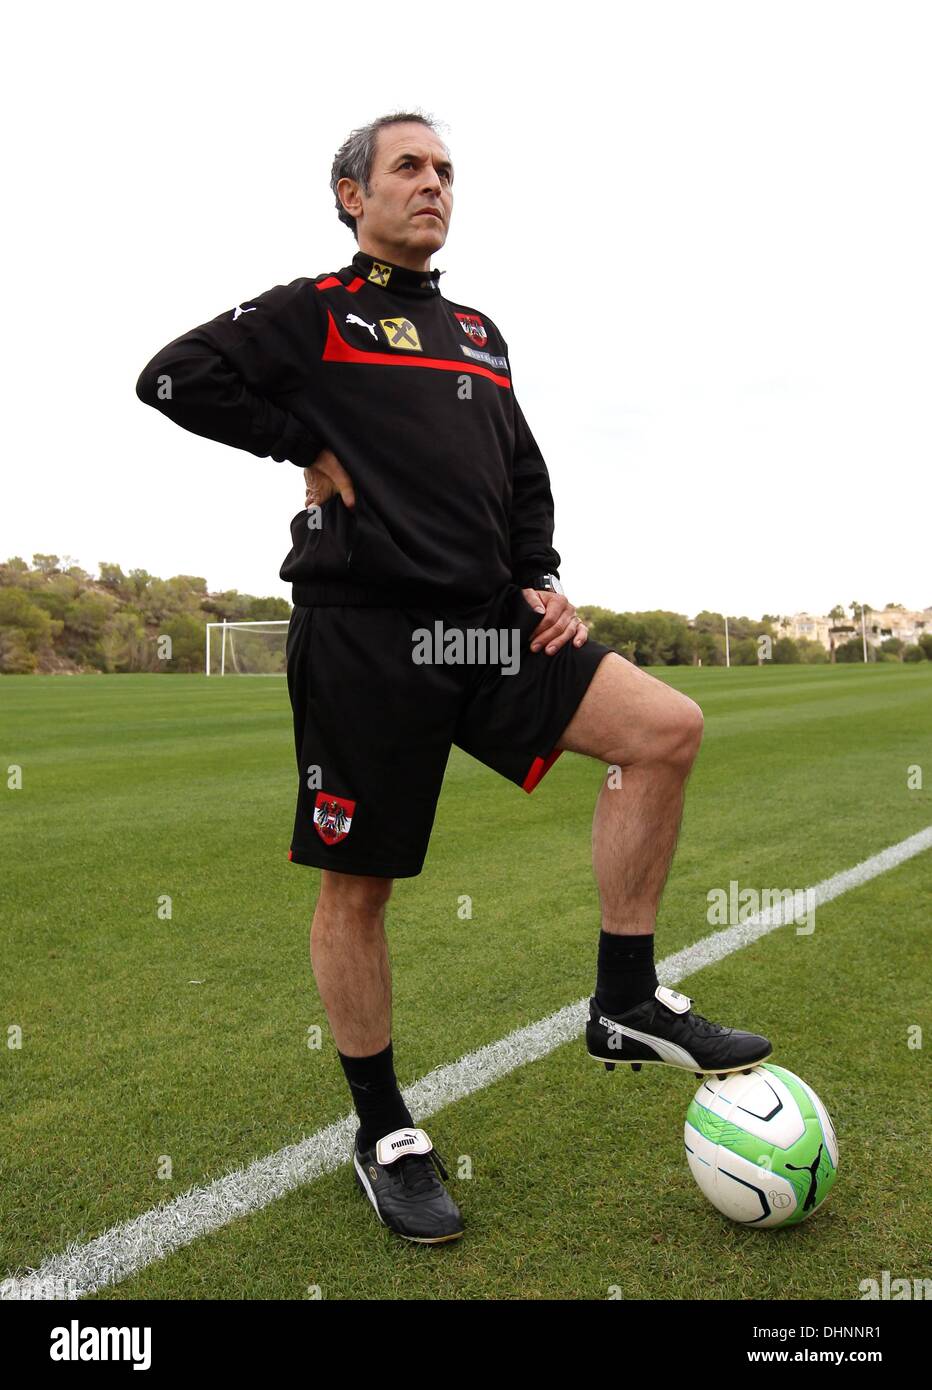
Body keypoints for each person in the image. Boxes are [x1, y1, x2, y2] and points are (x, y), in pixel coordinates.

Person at [136, 109, 772, 1246]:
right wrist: (302, 445)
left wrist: (536, 573)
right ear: (350, 195)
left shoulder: (477, 331)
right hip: (368, 639)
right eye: (407, 168)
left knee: (662, 729)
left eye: (444, 171)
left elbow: (519, 465)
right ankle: (383, 1130)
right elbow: (172, 378)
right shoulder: (312, 313)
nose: (432, 185)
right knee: (359, 887)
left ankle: (625, 1000)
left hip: (479, 632)